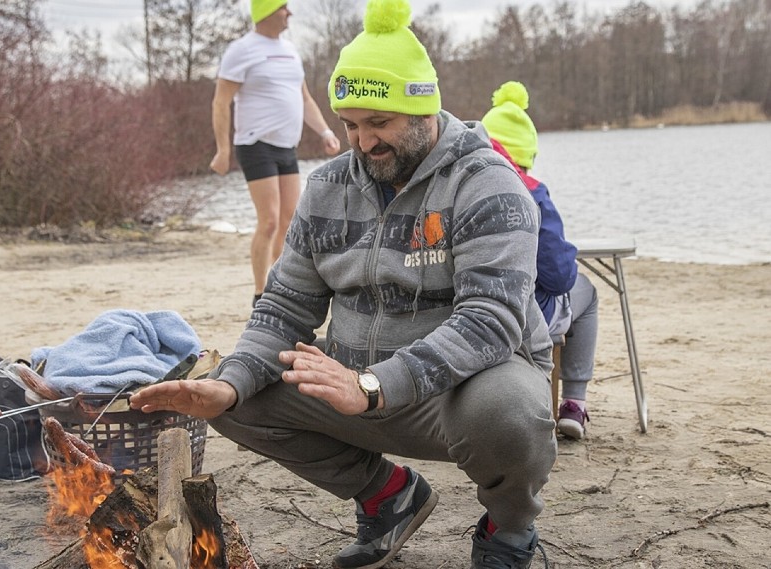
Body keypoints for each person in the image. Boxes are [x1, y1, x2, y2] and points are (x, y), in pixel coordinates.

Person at [132, 1, 557, 568]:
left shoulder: (488, 184)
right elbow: (285, 305)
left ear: (424, 108)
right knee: (229, 396)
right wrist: (231, 382)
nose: (363, 142)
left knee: (511, 413)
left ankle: (508, 532)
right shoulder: (328, 185)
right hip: (357, 385)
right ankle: (390, 498)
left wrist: (376, 384)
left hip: (460, 393)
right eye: (351, 125)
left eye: (379, 123)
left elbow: (491, 321)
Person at [482, 81, 599, 440]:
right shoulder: (530, 190)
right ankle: (574, 404)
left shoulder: (460, 182)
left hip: (468, 312)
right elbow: (559, 276)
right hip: (526, 316)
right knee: (587, 292)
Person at [209, 0, 341, 307]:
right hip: (255, 144)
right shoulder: (242, 50)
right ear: (266, 12)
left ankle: (280, 286)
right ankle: (260, 293)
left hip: (287, 146)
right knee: (268, 221)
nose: (289, 13)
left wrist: (324, 131)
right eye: (283, 7)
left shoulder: (291, 51)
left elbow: (305, 99)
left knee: (289, 222)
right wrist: (222, 149)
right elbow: (220, 101)